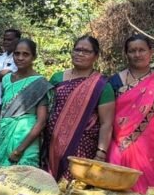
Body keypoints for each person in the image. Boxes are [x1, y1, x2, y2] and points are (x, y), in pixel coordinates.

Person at [108, 34, 154, 193]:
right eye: (132, 51)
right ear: (126, 54)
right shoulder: (115, 82)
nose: (137, 54)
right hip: (119, 147)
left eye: (142, 50)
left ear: (151, 52)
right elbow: (105, 118)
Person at [44, 35, 115, 180]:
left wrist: (101, 153)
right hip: (51, 144)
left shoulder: (101, 85)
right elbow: (46, 109)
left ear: (95, 56)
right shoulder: (57, 78)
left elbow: (106, 123)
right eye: (77, 50)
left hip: (82, 147)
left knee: (74, 190)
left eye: (86, 51)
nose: (80, 54)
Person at [0, 38, 51, 168]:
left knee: (25, 182)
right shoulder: (6, 79)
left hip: (27, 140)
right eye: (17, 53)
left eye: (26, 54)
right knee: (1, 181)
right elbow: (3, 111)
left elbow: (41, 122)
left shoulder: (39, 83)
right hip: (5, 135)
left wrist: (20, 149)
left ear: (34, 57)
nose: (20, 57)